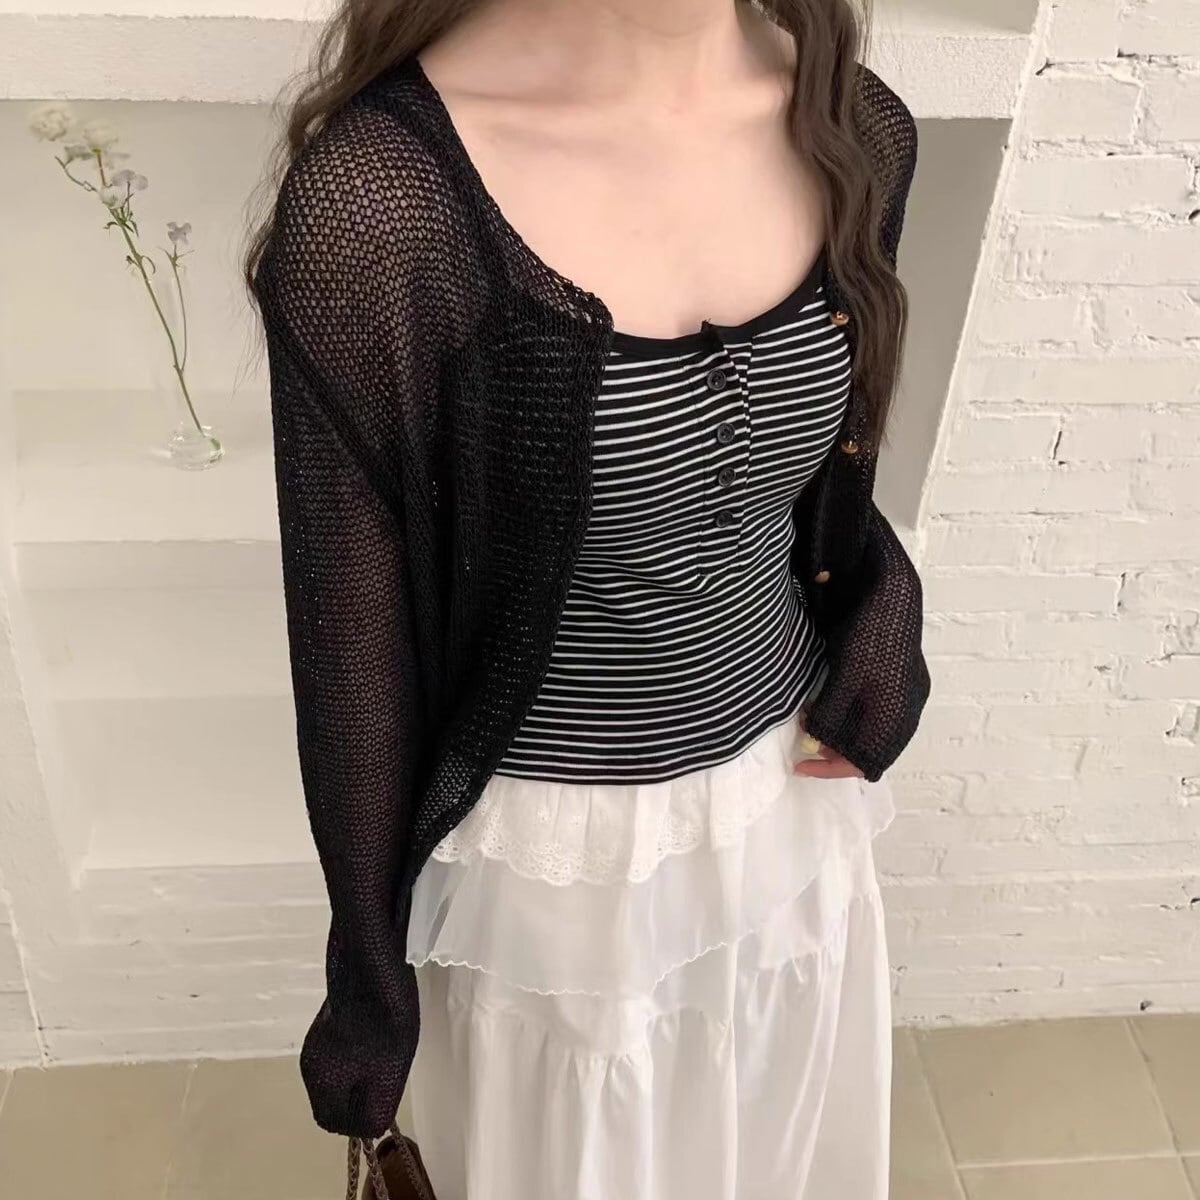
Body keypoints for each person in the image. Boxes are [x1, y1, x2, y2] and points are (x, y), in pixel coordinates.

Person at [243, 1, 930, 1197]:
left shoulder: (855, 122)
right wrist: (369, 990)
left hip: (786, 819)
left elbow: (818, 474)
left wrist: (883, 609)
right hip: (557, 884)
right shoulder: (385, 203)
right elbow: (353, 650)